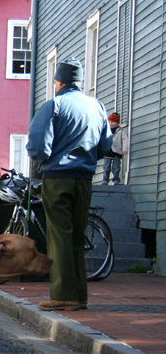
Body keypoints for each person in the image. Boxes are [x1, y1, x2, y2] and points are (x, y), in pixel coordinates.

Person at [27, 57, 112, 311]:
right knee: (77, 236)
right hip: (85, 179)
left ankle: (63, 295)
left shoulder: (54, 105)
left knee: (59, 236)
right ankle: (79, 295)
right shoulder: (97, 106)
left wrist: (44, 162)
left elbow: (38, 144)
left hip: (57, 177)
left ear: (59, 81)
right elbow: (105, 145)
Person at [102, 112, 128, 185]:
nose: (111, 123)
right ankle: (105, 180)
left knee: (116, 167)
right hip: (108, 151)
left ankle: (116, 180)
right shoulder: (106, 130)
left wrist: (124, 150)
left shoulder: (121, 131)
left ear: (117, 123)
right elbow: (103, 139)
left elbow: (125, 140)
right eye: (109, 122)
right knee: (106, 167)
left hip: (117, 151)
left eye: (113, 122)